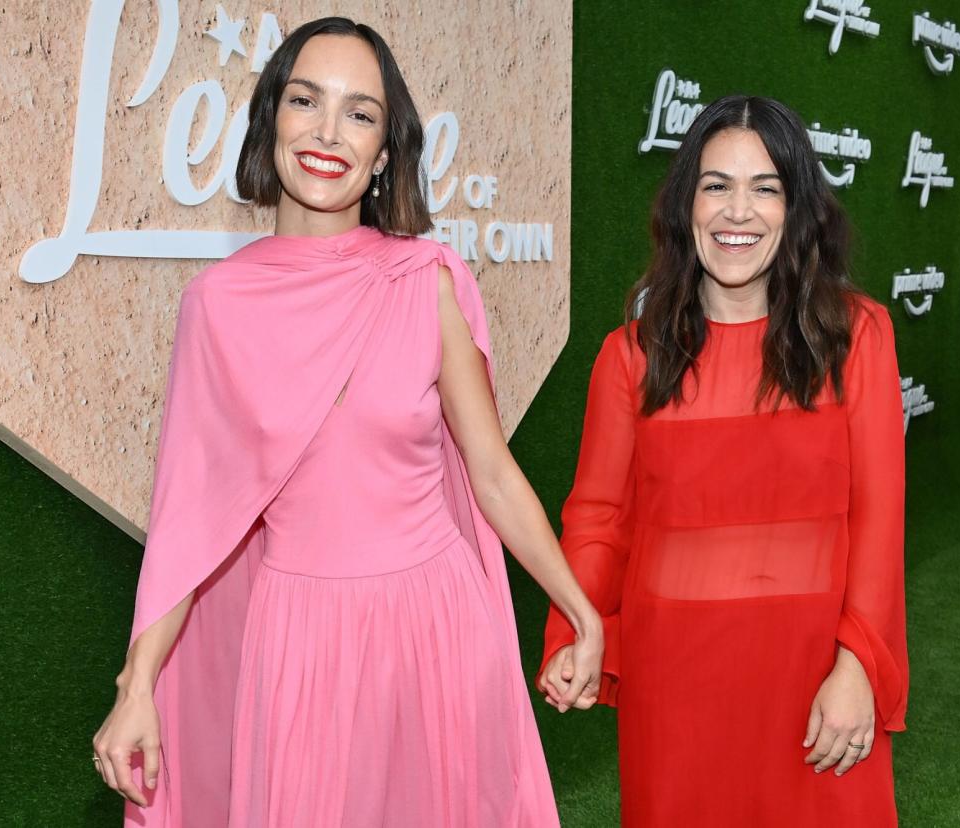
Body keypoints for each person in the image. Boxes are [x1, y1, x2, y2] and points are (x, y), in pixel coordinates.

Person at [90, 18, 603, 827]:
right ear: (271, 122)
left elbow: (491, 472)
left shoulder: (427, 280)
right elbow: (188, 517)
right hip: (301, 644)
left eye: (360, 114)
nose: (329, 133)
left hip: (437, 627)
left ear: (387, 150)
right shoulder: (218, 308)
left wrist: (580, 608)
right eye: (306, 101)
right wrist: (138, 685)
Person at [538, 96, 908, 825]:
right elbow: (599, 518)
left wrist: (860, 663)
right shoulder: (631, 355)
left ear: (797, 208)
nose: (739, 212)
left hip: (814, 687)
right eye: (717, 186)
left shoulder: (857, 337)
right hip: (674, 691)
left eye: (765, 188)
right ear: (686, 204)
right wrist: (574, 627)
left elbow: (878, 515)